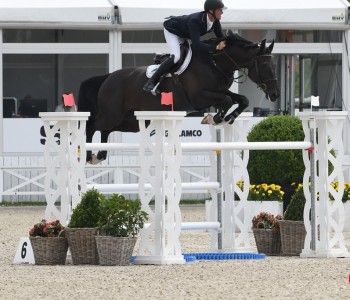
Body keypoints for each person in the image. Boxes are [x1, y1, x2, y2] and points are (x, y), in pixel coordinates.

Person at [143, 0, 227, 94]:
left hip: (185, 33)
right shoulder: (195, 20)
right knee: (176, 57)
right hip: (172, 30)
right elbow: (197, 45)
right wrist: (215, 47)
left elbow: (222, 38)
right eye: (220, 10)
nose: (222, 12)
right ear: (211, 11)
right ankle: (151, 82)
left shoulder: (215, 22)